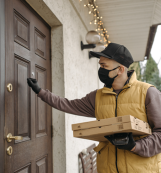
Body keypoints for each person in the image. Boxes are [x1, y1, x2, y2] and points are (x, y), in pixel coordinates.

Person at [27, 43, 161, 173]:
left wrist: (135, 146)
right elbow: (67, 104)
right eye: (100, 65)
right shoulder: (97, 96)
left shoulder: (148, 93)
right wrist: (41, 92)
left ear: (120, 69)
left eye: (104, 66)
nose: (100, 70)